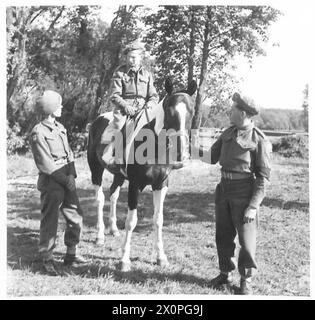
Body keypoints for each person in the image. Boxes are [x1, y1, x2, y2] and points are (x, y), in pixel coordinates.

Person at [195, 92, 272, 295]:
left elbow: (263, 179)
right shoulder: (228, 133)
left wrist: (253, 206)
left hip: (244, 192)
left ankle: (246, 280)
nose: (230, 111)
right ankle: (225, 274)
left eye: (234, 108)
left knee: (246, 241)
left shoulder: (259, 140)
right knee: (223, 235)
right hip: (223, 190)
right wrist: (190, 149)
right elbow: (211, 157)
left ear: (244, 113)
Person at [30, 90, 87, 276]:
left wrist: (72, 175)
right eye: (58, 104)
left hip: (66, 177)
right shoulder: (38, 132)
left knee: (75, 215)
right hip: (51, 181)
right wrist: (65, 179)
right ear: (50, 109)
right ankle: (46, 258)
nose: (61, 107)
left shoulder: (60, 127)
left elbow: (69, 153)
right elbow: (46, 163)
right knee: (50, 220)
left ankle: (71, 254)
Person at [100, 40, 159, 168]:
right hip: (124, 110)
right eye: (129, 57)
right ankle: (113, 157)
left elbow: (153, 95)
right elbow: (114, 95)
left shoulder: (147, 74)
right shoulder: (120, 73)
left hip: (144, 109)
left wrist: (150, 104)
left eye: (134, 57)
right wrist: (126, 106)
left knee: (159, 126)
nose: (131, 60)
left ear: (141, 58)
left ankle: (164, 158)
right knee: (120, 127)